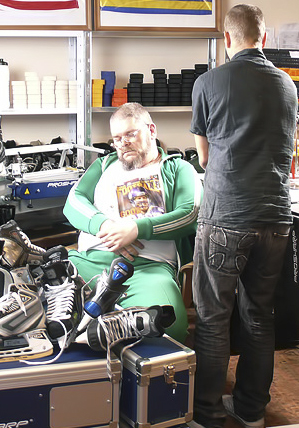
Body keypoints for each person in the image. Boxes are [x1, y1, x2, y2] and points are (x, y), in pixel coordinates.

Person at [188, 4, 298, 428]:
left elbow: (204, 157)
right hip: (276, 219)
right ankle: (252, 411)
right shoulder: (288, 85)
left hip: (227, 216)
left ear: (227, 39)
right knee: (259, 314)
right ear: (264, 38)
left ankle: (209, 421)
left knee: (213, 318)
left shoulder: (208, 82)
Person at [64, 103, 201, 343]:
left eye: (130, 134)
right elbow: (73, 201)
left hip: (148, 269)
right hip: (91, 262)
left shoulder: (178, 168)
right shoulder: (103, 165)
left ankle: (105, 326)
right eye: (117, 138)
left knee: (170, 329)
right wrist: (105, 227)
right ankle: (107, 326)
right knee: (39, 306)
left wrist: (136, 229)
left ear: (151, 130)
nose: (123, 143)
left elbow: (191, 213)